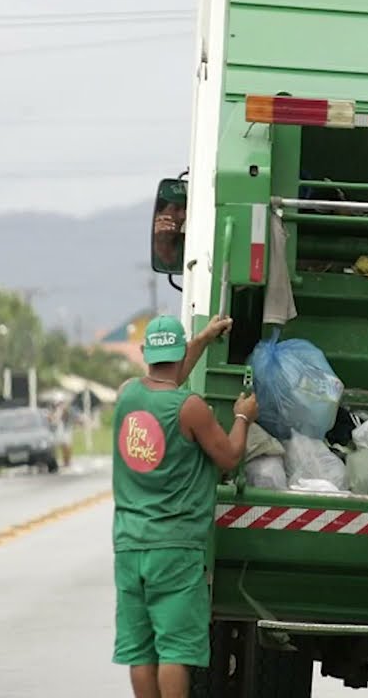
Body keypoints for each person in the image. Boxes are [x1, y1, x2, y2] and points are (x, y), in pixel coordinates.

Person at [111, 314, 258, 698]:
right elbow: (228, 458)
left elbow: (167, 377)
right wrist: (243, 417)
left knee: (140, 651)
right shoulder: (190, 408)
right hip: (174, 548)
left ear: (144, 353)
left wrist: (204, 339)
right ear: (178, 355)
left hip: (129, 545)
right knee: (174, 650)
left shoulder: (127, 394)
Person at [153, 181, 187, 269]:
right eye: (176, 208)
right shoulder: (146, 248)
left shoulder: (190, 244)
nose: (183, 216)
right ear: (157, 214)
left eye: (185, 209)